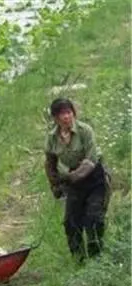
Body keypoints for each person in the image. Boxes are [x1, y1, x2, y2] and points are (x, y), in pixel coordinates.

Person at [44, 98, 111, 261]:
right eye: (61, 114)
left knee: (93, 218)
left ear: (73, 113)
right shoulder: (52, 137)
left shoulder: (84, 131)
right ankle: (78, 259)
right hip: (74, 183)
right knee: (71, 222)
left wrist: (68, 178)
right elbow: (50, 162)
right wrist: (55, 184)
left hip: (95, 179)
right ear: (55, 118)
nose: (66, 117)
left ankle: (97, 259)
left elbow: (90, 161)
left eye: (68, 112)